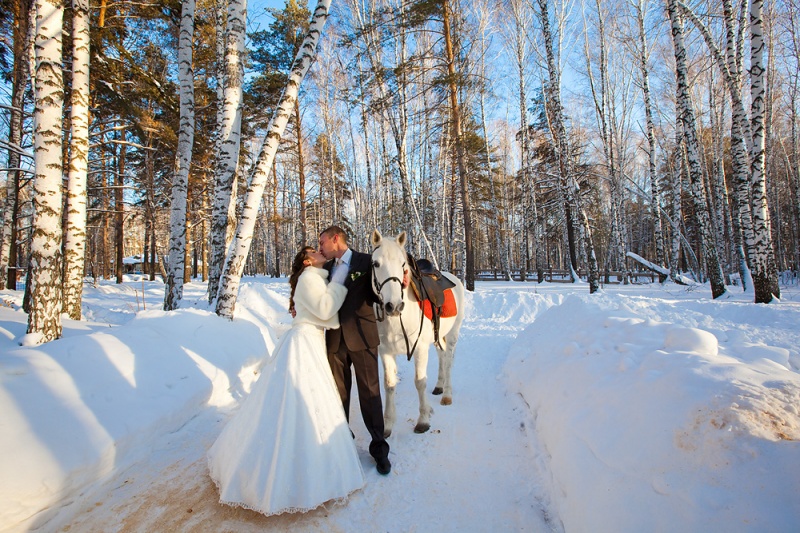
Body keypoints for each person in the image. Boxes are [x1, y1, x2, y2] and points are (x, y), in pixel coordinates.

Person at [207, 246, 364, 516]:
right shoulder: (309, 278)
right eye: (315, 251)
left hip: (311, 340)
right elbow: (326, 308)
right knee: (299, 402)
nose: (320, 251)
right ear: (307, 260)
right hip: (304, 342)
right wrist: (339, 282)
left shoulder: (314, 278)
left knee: (311, 401)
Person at [318, 226, 391, 475]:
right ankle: (342, 445)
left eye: (323, 242)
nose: (321, 247)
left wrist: (397, 284)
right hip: (335, 343)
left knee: (370, 395)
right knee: (338, 397)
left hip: (363, 337)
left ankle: (379, 450)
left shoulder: (367, 261)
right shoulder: (326, 269)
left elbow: (379, 291)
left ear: (335, 239)